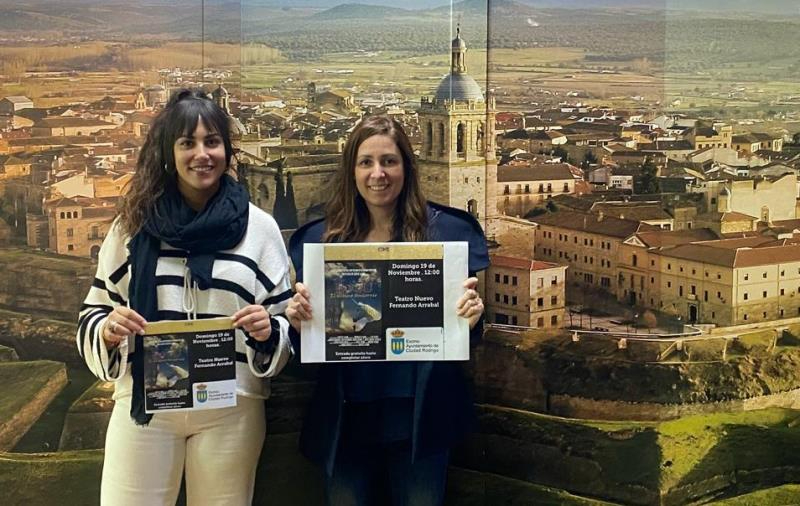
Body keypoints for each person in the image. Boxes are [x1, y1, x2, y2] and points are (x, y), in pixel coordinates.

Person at [76, 89, 294, 506]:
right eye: (187, 143)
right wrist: (107, 329)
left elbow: (284, 321)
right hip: (147, 404)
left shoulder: (260, 230)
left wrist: (269, 332)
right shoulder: (132, 227)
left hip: (231, 408)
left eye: (212, 141)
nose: (202, 154)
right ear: (168, 152)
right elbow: (95, 308)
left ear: (228, 152)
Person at [286, 114, 489, 506]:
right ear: (352, 171)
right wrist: (298, 323)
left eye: (389, 161)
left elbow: (467, 332)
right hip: (347, 420)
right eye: (366, 162)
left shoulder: (447, 234)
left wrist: (473, 316)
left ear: (406, 168)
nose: (378, 174)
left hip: (421, 421)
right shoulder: (321, 242)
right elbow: (304, 349)